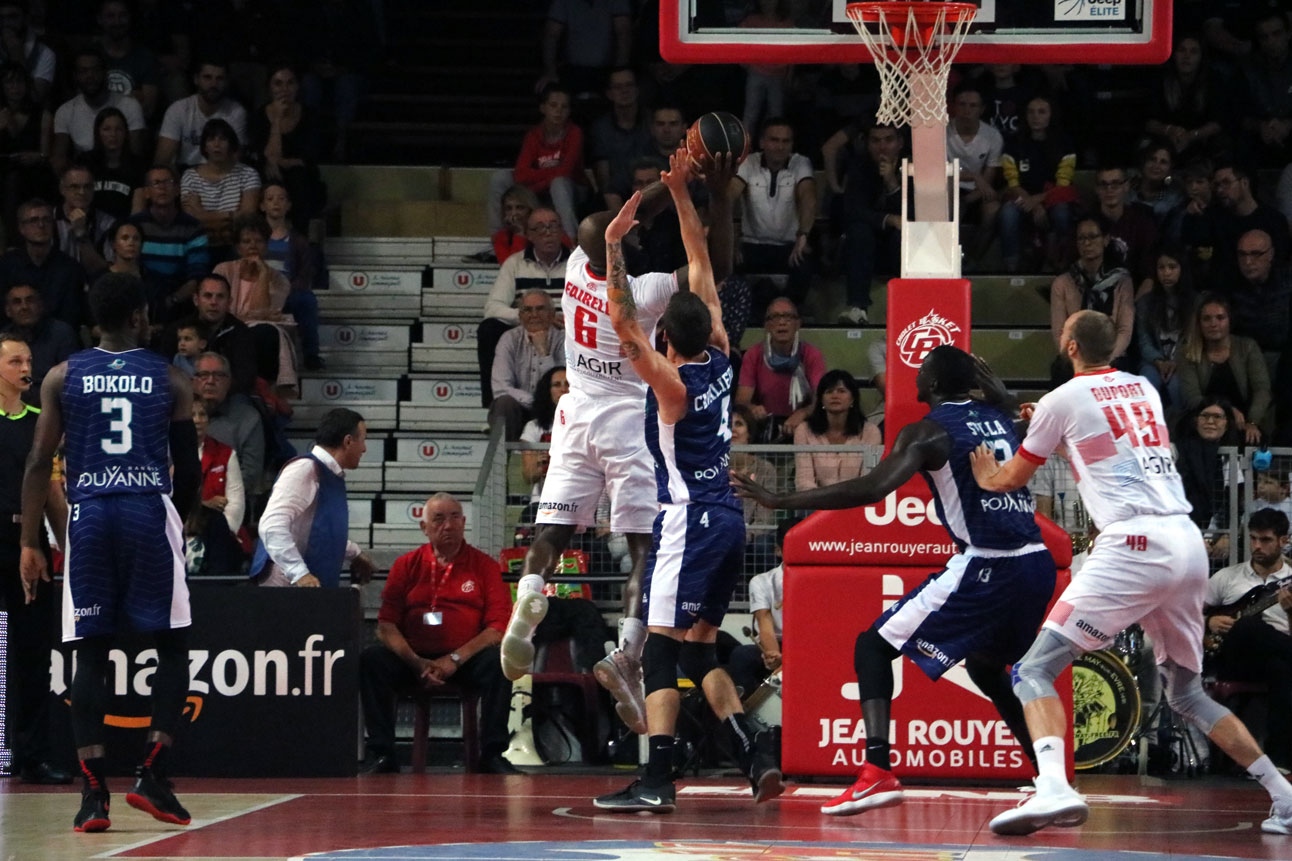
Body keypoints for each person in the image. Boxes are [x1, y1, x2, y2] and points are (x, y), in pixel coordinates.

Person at [969, 309, 1292, 836]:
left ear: (1068, 345)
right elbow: (1106, 434)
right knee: (1187, 694)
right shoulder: (1141, 387)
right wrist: (1048, 418)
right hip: (1185, 542)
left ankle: (1053, 786)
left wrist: (987, 475)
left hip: (1133, 543)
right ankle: (1284, 797)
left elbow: (1010, 478)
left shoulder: (1061, 399)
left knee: (1034, 670)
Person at [733, 345, 1055, 819]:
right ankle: (1049, 779)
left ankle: (877, 770)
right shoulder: (1000, 417)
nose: (916, 377)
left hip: (989, 562)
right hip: (1037, 564)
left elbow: (872, 488)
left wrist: (781, 500)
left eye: (922, 371)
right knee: (989, 669)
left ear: (933, 384)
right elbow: (1030, 420)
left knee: (872, 646)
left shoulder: (929, 431)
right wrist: (1004, 398)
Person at [498, 150, 735, 737]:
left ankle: (529, 595)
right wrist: (697, 188)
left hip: (575, 412)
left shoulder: (579, 265)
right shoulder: (651, 292)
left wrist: (660, 190)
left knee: (551, 528)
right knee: (641, 549)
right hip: (631, 419)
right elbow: (711, 264)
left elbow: (605, 226)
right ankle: (629, 651)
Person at [593, 154, 781, 813]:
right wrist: (678, 192)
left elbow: (621, 323)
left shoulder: (672, 386)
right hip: (726, 519)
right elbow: (700, 257)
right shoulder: (724, 352)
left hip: (688, 519)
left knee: (660, 652)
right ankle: (751, 747)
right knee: (702, 648)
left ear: (667, 336)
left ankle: (656, 780)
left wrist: (614, 246)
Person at [19, 272, 201, 832]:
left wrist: (30, 541)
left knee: (90, 654)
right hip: (147, 510)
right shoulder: (170, 378)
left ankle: (92, 793)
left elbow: (35, 463)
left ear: (93, 320)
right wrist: (185, 516)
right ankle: (152, 771)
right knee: (171, 647)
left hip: (90, 515)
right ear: (142, 316)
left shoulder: (61, 376)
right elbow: (189, 469)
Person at [359, 492, 519, 775]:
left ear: (464, 522)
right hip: (414, 659)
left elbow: (497, 627)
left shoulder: (485, 566)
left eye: (455, 517)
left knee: (499, 663)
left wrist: (455, 659)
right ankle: (382, 753)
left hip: (466, 658)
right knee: (372, 659)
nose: (448, 525)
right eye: (439, 519)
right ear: (424, 528)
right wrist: (416, 662)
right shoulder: (406, 565)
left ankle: (492, 754)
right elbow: (386, 626)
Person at [0, 331, 71, 785]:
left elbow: (51, 491)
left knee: (34, 655)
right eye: (14, 362)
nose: (26, 368)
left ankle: (34, 753)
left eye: (28, 360)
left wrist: (69, 546)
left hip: (28, 543)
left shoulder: (39, 421)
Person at [1205, 508, 1292, 774]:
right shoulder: (1227, 578)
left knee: (1282, 672)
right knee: (1246, 626)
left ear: (1283, 541)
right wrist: (1208, 623)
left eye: (1265, 540)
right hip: (1233, 657)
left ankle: (1279, 761)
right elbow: (1187, 612)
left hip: (1277, 659)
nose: (1257, 546)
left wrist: (1289, 611)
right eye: (1253, 538)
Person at [248, 407, 374, 588]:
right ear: (348, 441)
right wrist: (300, 574)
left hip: (305, 590)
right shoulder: (305, 469)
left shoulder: (329, 474)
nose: (364, 449)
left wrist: (353, 552)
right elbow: (271, 526)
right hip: (285, 590)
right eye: (363, 440)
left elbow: (316, 530)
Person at [478, 207, 570, 406]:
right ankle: (493, 407)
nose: (547, 232)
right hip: (525, 331)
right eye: (540, 228)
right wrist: (531, 317)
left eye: (553, 226)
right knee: (489, 329)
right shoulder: (515, 264)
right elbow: (492, 308)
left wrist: (557, 319)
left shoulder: (578, 264)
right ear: (529, 235)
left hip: (567, 329)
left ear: (562, 231)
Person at [729, 117, 817, 314]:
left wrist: (803, 235)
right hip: (751, 245)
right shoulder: (748, 163)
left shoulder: (800, 163)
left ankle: (792, 314)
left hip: (788, 247)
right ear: (762, 142)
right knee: (724, 260)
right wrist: (732, 238)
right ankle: (737, 317)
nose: (780, 146)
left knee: (805, 261)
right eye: (774, 140)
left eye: (786, 141)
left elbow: (808, 196)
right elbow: (729, 196)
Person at [1048, 216, 1135, 382]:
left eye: (1092, 237)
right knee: (1060, 370)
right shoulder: (1062, 283)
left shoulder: (1121, 281)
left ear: (1105, 239)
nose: (1086, 243)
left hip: (1112, 356)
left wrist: (1102, 362)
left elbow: (1124, 331)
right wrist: (1081, 362)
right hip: (1076, 359)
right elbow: (1060, 334)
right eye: (1081, 238)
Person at [1176, 294, 1270, 444]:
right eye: (1206, 319)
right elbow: (1191, 396)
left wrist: (1253, 422)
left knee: (1254, 438)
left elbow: (1262, 389)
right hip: (1203, 419)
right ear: (1199, 323)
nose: (1213, 323)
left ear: (1229, 321)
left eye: (1220, 318)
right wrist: (1226, 411)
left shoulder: (1247, 347)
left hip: (1243, 420)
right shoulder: (1186, 352)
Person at [998, 94, 1077, 273]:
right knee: (1008, 212)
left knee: (1062, 212)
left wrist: (1038, 201)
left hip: (1053, 198)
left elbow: (1063, 185)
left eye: (1042, 112)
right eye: (1031, 112)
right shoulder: (1013, 143)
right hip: (1021, 199)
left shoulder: (1064, 144)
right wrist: (1032, 205)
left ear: (1051, 115)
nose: (1036, 117)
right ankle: (1012, 268)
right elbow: (1012, 183)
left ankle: (1061, 263)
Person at [725, 516, 797, 703]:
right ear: (778, 551)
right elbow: (764, 623)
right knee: (742, 655)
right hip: (777, 645)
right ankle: (744, 717)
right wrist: (775, 656)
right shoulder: (762, 581)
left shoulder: (822, 580)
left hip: (810, 647)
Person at [735, 296, 825, 442]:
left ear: (798, 324)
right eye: (775, 317)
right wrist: (752, 408)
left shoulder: (811, 354)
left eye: (788, 317)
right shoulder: (753, 354)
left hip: (802, 424)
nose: (782, 322)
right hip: (765, 424)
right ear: (767, 325)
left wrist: (802, 413)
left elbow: (821, 398)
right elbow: (741, 401)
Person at [129, 166, 210, 320]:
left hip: (179, 299)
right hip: (141, 295)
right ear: (146, 192)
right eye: (156, 183)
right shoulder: (135, 225)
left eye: (168, 182)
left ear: (177, 190)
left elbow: (197, 277)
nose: (162, 187)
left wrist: (171, 301)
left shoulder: (193, 227)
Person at [50, 47, 146, 174]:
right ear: (75, 76)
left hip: (122, 171)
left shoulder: (130, 106)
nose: (90, 76)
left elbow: (135, 154)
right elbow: (59, 157)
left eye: (95, 70)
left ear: (105, 73)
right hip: (84, 175)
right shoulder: (65, 111)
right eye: (83, 71)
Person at [0, 198, 88, 334]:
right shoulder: (6, 265)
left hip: (56, 339)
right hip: (13, 338)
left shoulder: (70, 268)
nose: (41, 225)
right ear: (21, 228)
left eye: (46, 220)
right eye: (33, 220)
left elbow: (71, 318)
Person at [180, 118, 262, 261]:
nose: (217, 144)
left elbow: (247, 217)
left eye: (223, 139)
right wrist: (232, 215)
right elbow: (192, 219)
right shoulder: (190, 176)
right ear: (204, 146)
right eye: (211, 139)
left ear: (231, 144)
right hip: (202, 242)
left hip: (235, 243)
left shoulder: (248, 174)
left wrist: (204, 215)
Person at [488, 288, 564, 442]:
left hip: (553, 409)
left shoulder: (564, 340)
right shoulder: (509, 339)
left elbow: (562, 384)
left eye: (540, 309)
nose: (534, 315)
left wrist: (544, 353)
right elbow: (501, 388)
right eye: (528, 310)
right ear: (520, 316)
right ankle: (503, 462)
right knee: (504, 403)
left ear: (552, 314)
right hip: (519, 409)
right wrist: (534, 402)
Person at [188, 398, 248, 578]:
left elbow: (236, 505)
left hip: (218, 536)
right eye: (191, 415)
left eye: (202, 414)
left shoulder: (226, 453)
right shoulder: (167, 453)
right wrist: (205, 505)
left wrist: (220, 532)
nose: (198, 419)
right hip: (180, 532)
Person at [793, 369, 881, 491]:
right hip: (815, 503)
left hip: (856, 502)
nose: (835, 396)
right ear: (821, 399)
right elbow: (804, 480)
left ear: (852, 399)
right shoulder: (804, 430)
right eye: (829, 392)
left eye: (841, 391)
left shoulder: (870, 431)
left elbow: (868, 480)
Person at [192, 350, 265, 497]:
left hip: (228, 503)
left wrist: (214, 498)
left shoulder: (248, 418)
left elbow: (251, 473)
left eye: (219, 375)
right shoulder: (177, 416)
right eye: (204, 375)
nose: (211, 381)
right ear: (193, 381)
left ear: (229, 382)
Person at [154, 58, 249, 170]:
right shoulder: (178, 109)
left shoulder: (236, 111)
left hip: (221, 173)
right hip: (184, 173)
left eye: (220, 79)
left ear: (226, 82)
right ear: (196, 79)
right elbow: (163, 160)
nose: (213, 84)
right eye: (207, 77)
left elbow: (235, 159)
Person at [1135, 244, 1197, 412]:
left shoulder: (1195, 303)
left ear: (1182, 269)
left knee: (1177, 386)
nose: (1166, 272)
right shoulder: (1146, 303)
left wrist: (1176, 361)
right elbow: (1144, 340)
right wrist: (1159, 361)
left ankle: (1180, 428)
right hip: (1153, 361)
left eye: (1172, 267)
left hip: (1183, 361)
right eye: (1161, 267)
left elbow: (1193, 341)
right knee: (1147, 383)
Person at [2, 282, 78, 406]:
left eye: (30, 300)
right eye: (17, 302)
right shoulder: (4, 340)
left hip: (54, 407)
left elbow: (71, 382)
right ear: (8, 311)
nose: (24, 307)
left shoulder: (62, 333)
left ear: (40, 305)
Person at [83, 106, 148, 221]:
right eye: (106, 129)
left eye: (118, 129)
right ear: (98, 132)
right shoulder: (85, 162)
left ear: (125, 133)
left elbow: (138, 210)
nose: (113, 134)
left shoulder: (138, 165)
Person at [54, 164, 115, 277]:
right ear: (62, 189)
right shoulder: (49, 219)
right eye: (74, 187)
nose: (82, 192)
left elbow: (106, 272)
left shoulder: (108, 224)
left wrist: (81, 236)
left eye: (87, 187)